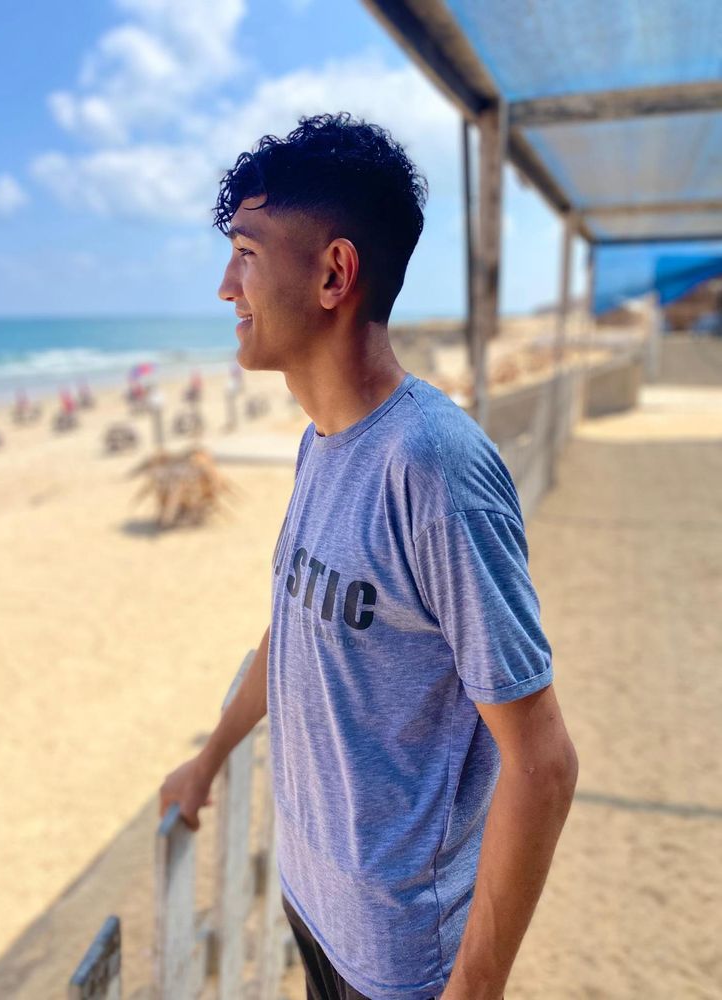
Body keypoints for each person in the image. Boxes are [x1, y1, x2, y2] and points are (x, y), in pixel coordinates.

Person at [159, 113, 578, 1000]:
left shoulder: (434, 468)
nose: (225, 284)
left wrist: (474, 989)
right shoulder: (324, 442)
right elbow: (292, 635)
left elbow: (542, 763)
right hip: (314, 908)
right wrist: (208, 760)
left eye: (246, 252)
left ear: (334, 273)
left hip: (403, 963)